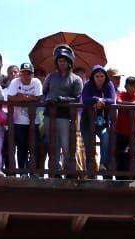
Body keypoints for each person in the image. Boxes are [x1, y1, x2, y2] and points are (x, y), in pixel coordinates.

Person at [42, 45, 82, 174]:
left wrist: (61, 99)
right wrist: (49, 99)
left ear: (69, 61)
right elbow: (44, 93)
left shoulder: (76, 79)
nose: (62, 63)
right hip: (49, 115)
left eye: (64, 60)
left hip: (65, 117)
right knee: (52, 145)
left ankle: (68, 170)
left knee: (66, 145)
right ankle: (55, 171)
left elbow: (77, 98)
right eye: (60, 60)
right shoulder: (50, 77)